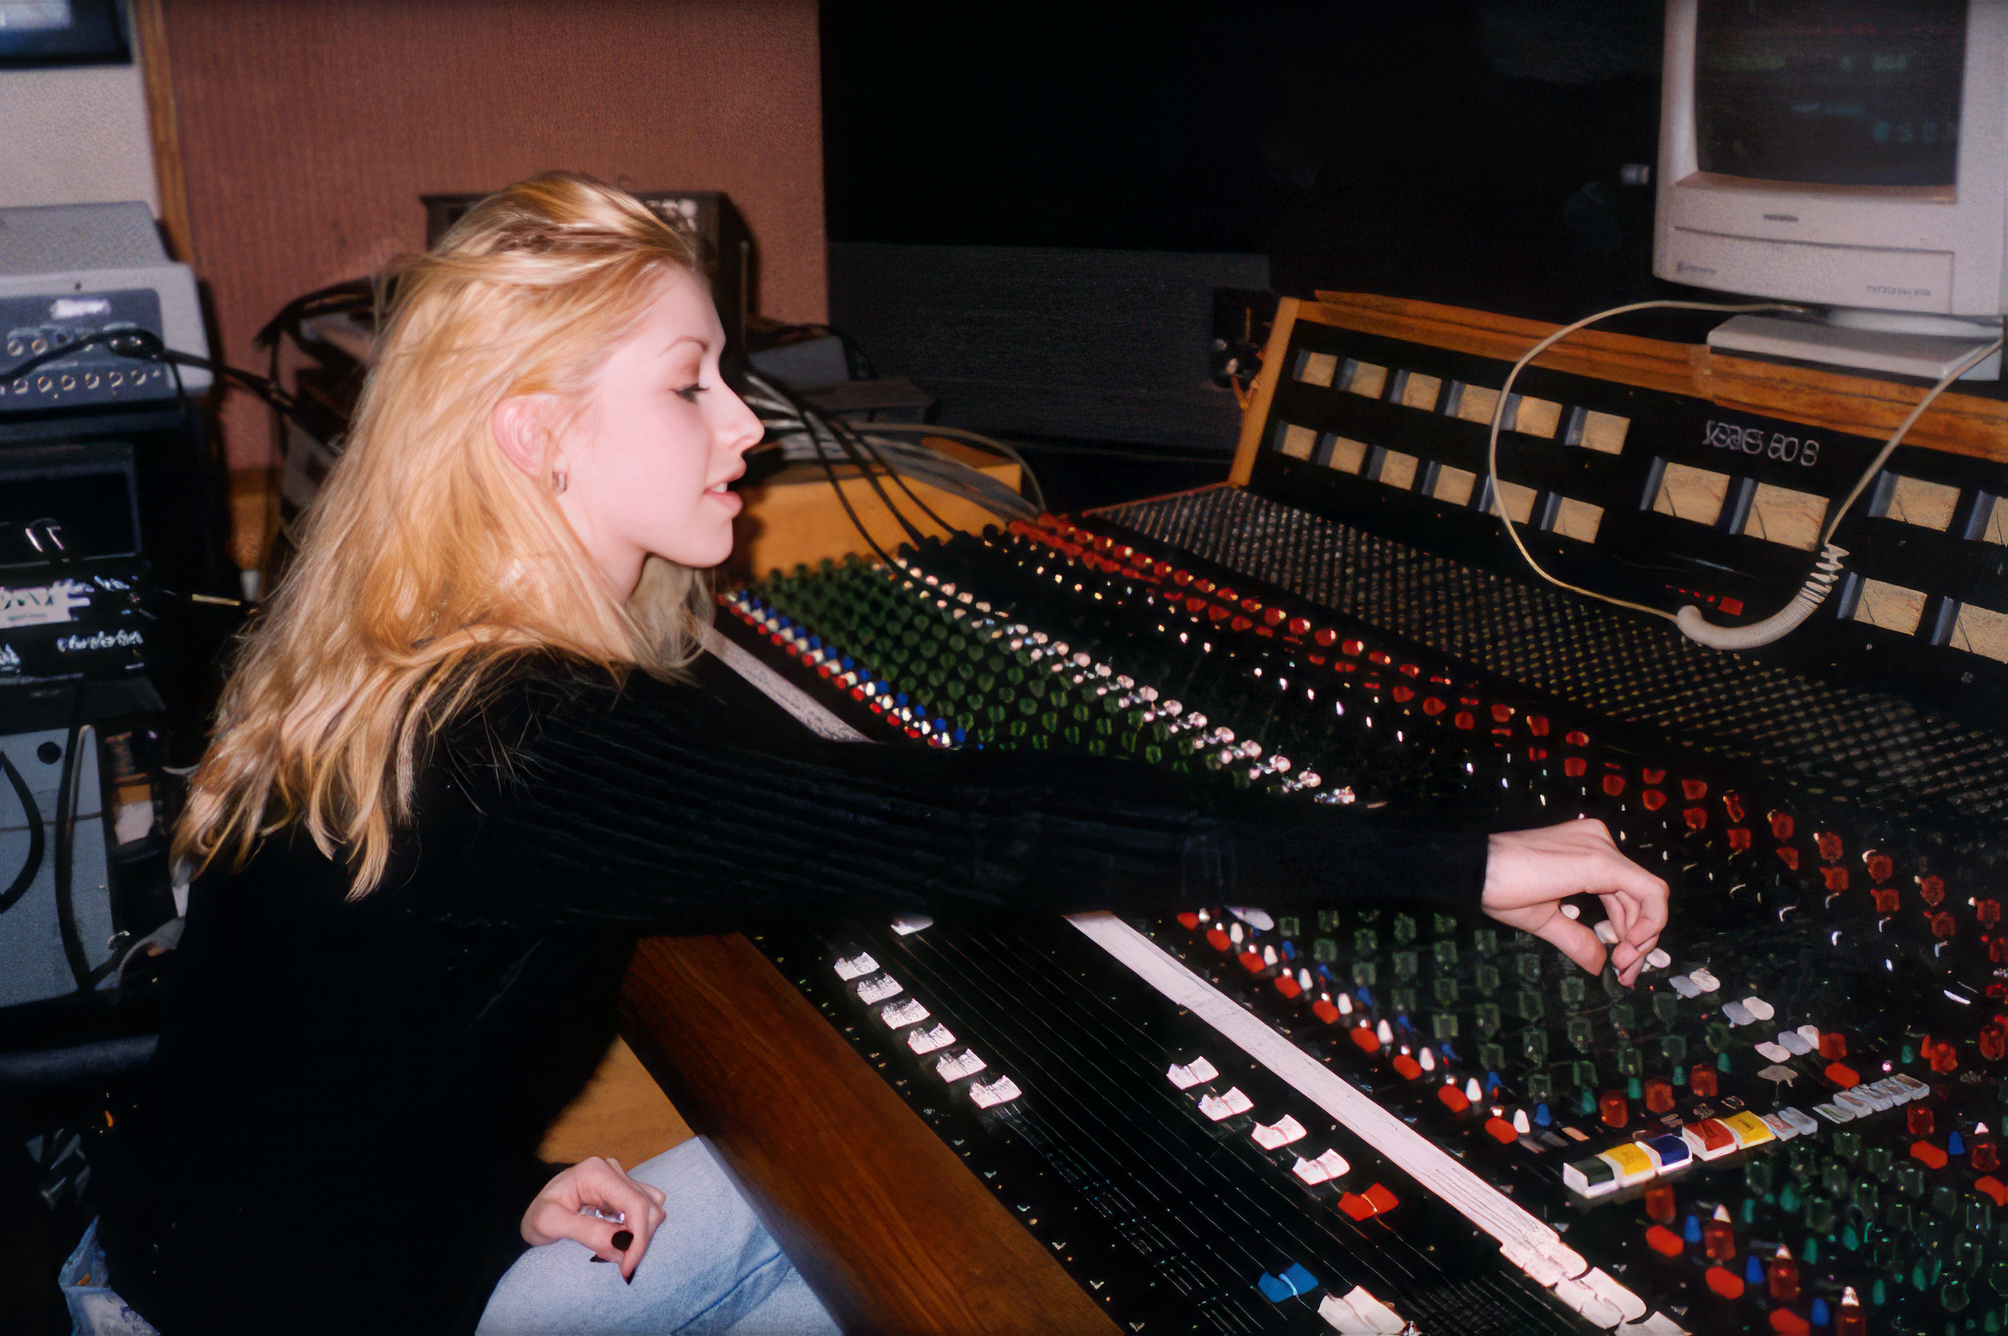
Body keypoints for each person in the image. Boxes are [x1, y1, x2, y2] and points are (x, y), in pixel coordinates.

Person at [85, 173, 1667, 1335]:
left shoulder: (405, 652)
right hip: (275, 1318)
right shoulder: (525, 740)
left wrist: (475, 1191)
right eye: (688, 382)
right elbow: (980, 828)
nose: (747, 425)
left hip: (238, 1261)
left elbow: (297, 1051)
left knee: (874, 1173)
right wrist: (1455, 858)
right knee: (962, 1234)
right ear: (534, 434)